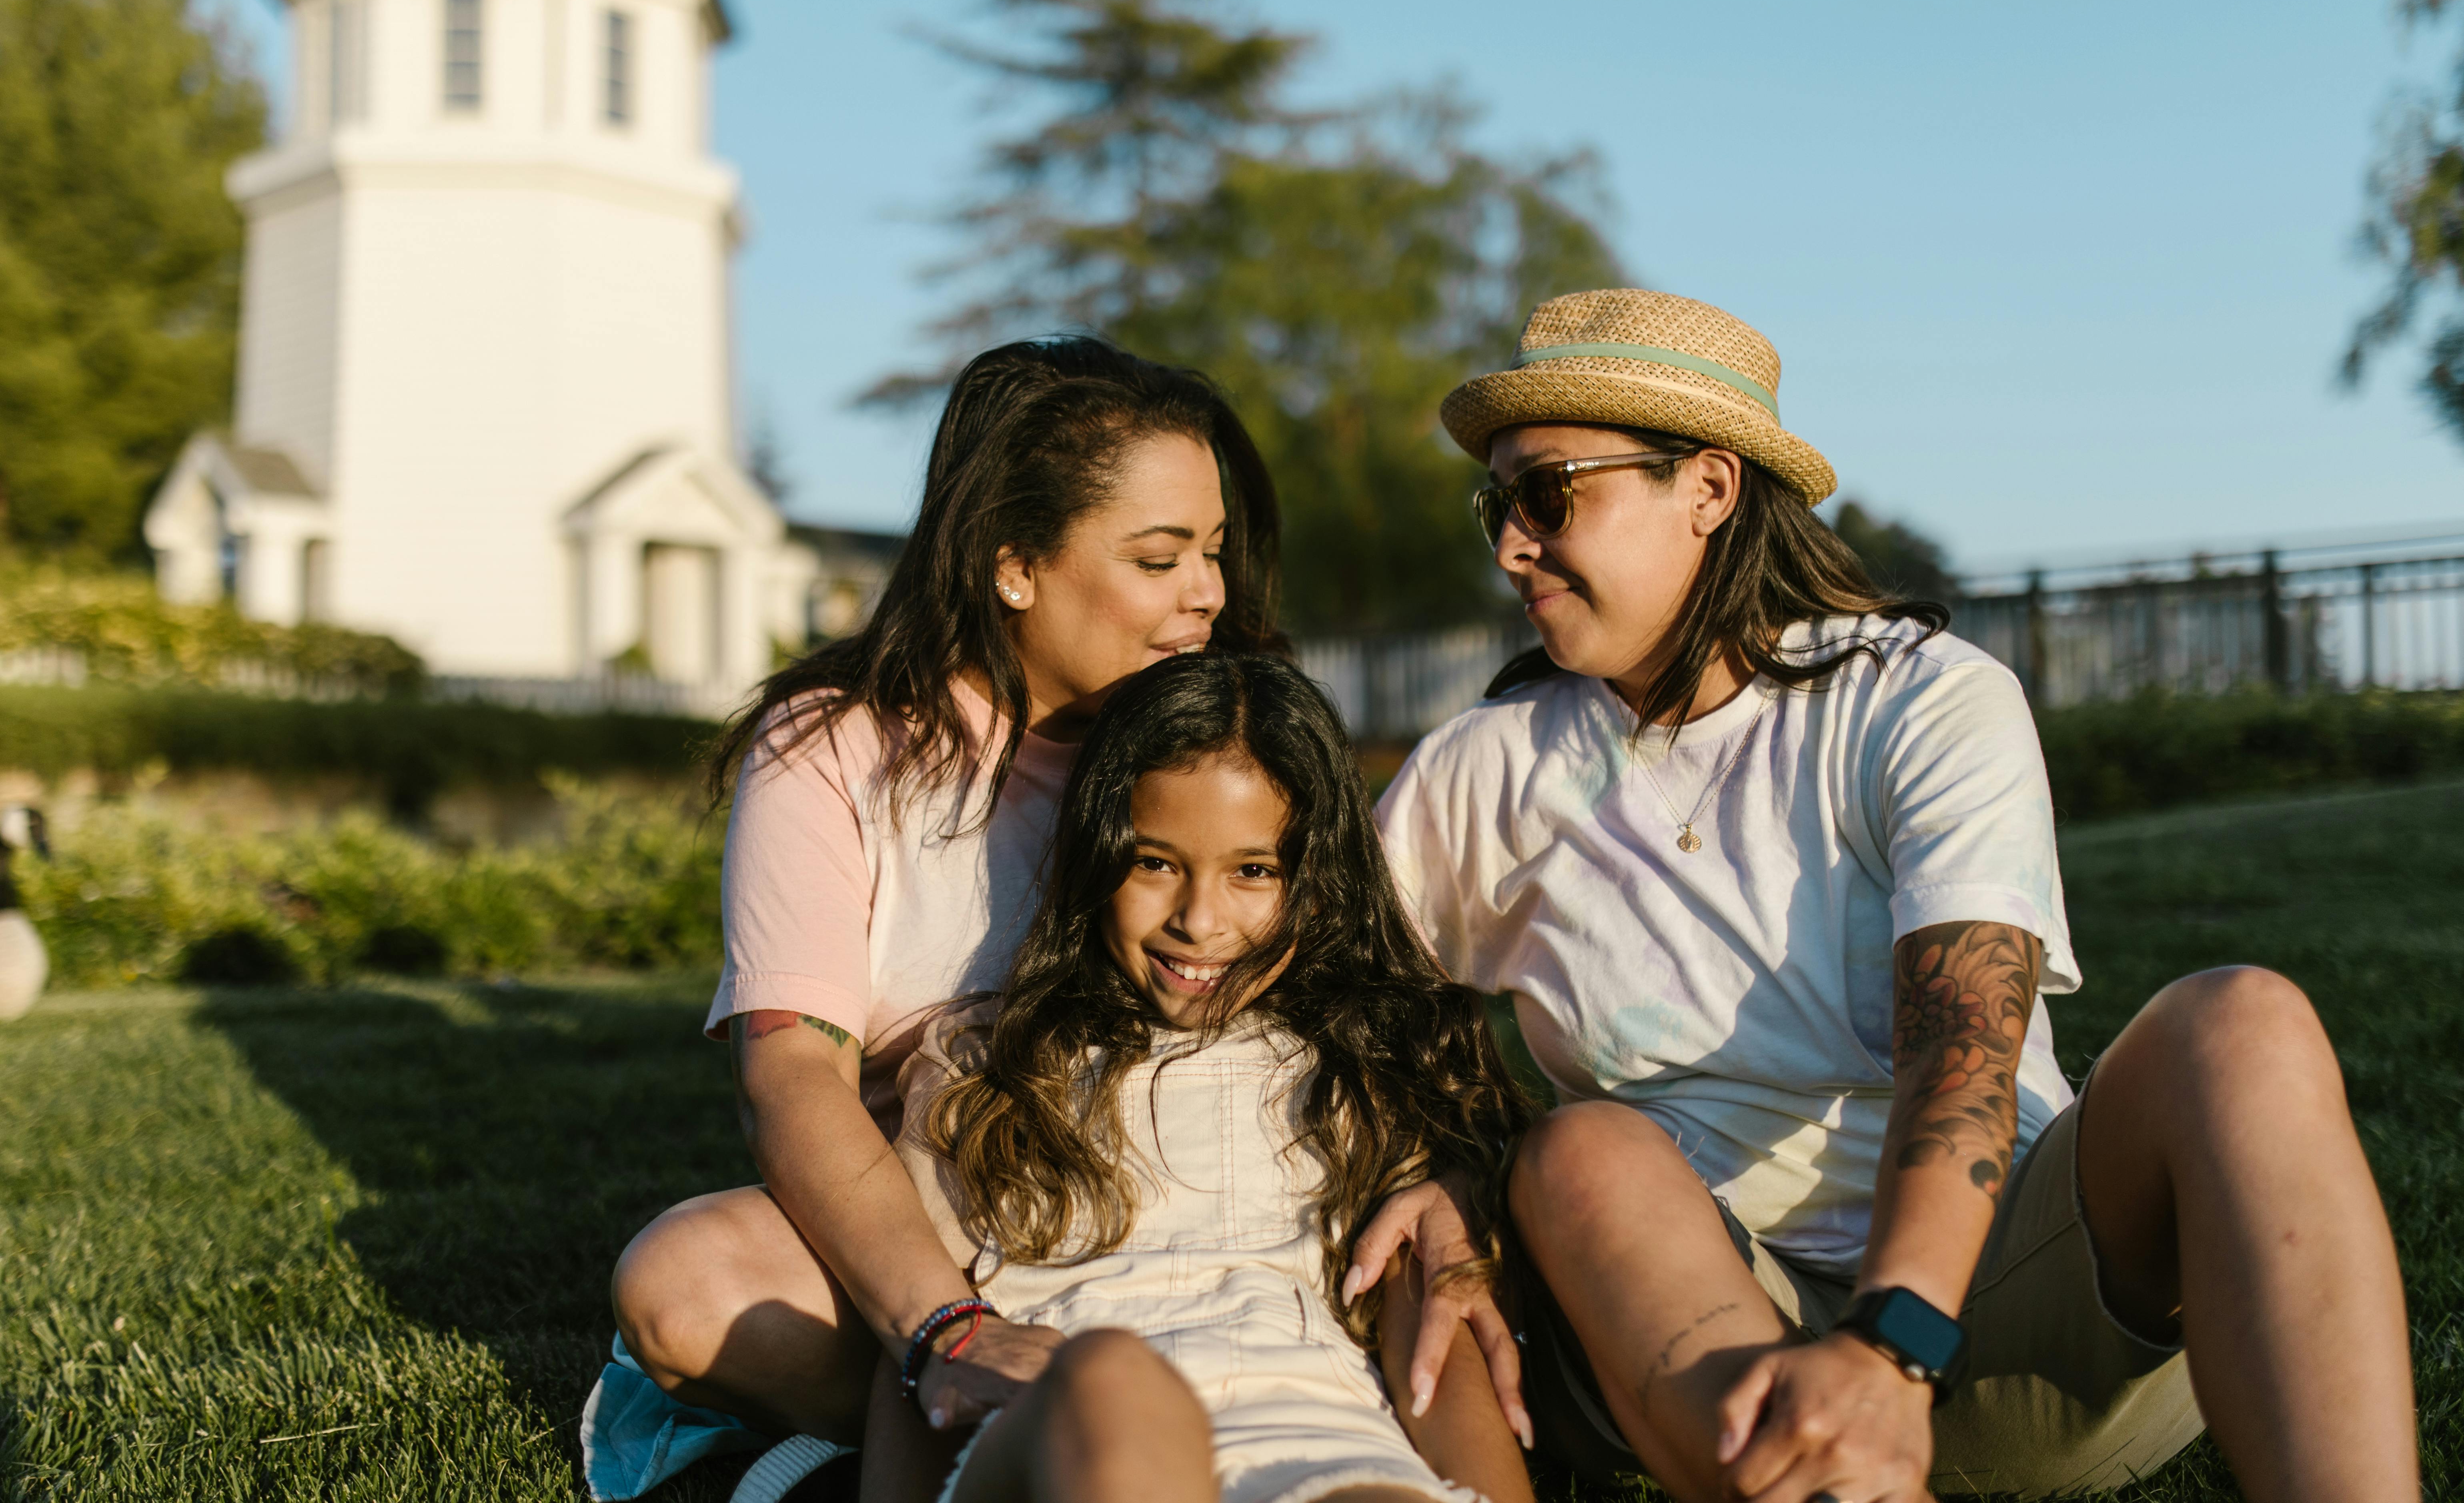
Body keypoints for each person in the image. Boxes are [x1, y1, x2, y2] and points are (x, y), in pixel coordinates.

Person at [1361, 289, 2418, 1502]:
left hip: (2011, 1316)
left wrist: (1891, 1346)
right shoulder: (1483, 766)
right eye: (1494, 504)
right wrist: (1427, 1163)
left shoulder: (1917, 699)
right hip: (1704, 1336)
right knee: (1579, 1151)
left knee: (2241, 1023)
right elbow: (1334, 1012)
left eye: (1547, 495)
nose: (1508, 544)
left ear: (1706, 490)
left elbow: (1964, 1045)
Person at [602, 337, 1286, 1476]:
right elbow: (792, 1072)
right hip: (937, 1216)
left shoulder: (1229, 736)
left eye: (1212, 552)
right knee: (686, 1285)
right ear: (1015, 565)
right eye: (1159, 559)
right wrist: (944, 1324)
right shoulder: (839, 743)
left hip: (1193, 1199)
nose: (1209, 594)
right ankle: (976, 1401)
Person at [891, 649, 1535, 1503]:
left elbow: (1437, 1322)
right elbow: (910, 1343)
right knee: (1118, 1382)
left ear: (1316, 881)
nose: (1198, 921)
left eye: (1253, 871)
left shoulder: (1369, 1068)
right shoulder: (991, 1073)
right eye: (1153, 861)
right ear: (1097, 851)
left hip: (1316, 1436)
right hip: (1078, 1436)